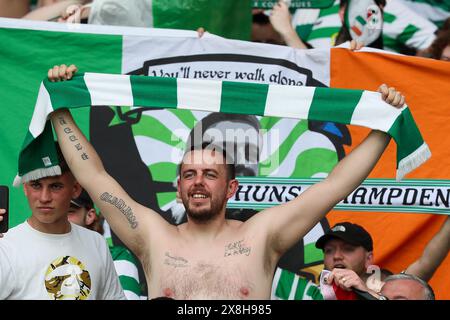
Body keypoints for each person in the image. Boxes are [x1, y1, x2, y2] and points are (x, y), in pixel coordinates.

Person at [48, 63, 405, 299]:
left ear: (231, 187)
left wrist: (384, 127)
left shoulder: (262, 234)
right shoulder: (153, 236)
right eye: (189, 174)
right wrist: (60, 107)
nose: (198, 182)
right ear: (179, 187)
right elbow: (94, 176)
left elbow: (335, 185)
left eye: (210, 174)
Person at [0, 146, 125, 300]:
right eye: (36, 185)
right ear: (25, 187)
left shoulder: (96, 243)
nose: (45, 197)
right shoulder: (5, 247)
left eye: (55, 186)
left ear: (75, 190)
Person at [320, 217, 449, 299]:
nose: (336, 256)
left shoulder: (392, 289)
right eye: (329, 250)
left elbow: (426, 263)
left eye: (347, 249)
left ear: (368, 258)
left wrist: (366, 293)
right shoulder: (311, 293)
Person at [68, 189, 144, 299]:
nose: (61, 218)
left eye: (69, 211)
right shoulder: (39, 255)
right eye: (56, 212)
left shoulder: (115, 256)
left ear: (89, 216)